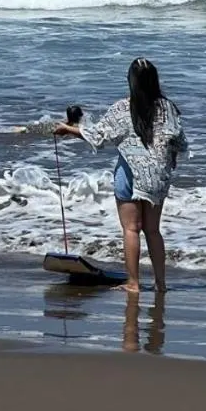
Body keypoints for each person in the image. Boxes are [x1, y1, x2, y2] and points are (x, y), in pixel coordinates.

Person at [54, 58, 188, 294]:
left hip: (128, 176)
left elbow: (99, 136)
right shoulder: (168, 109)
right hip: (156, 179)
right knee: (153, 231)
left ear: (131, 82)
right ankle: (161, 284)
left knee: (131, 229)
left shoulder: (123, 108)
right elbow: (178, 141)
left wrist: (68, 129)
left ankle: (134, 283)